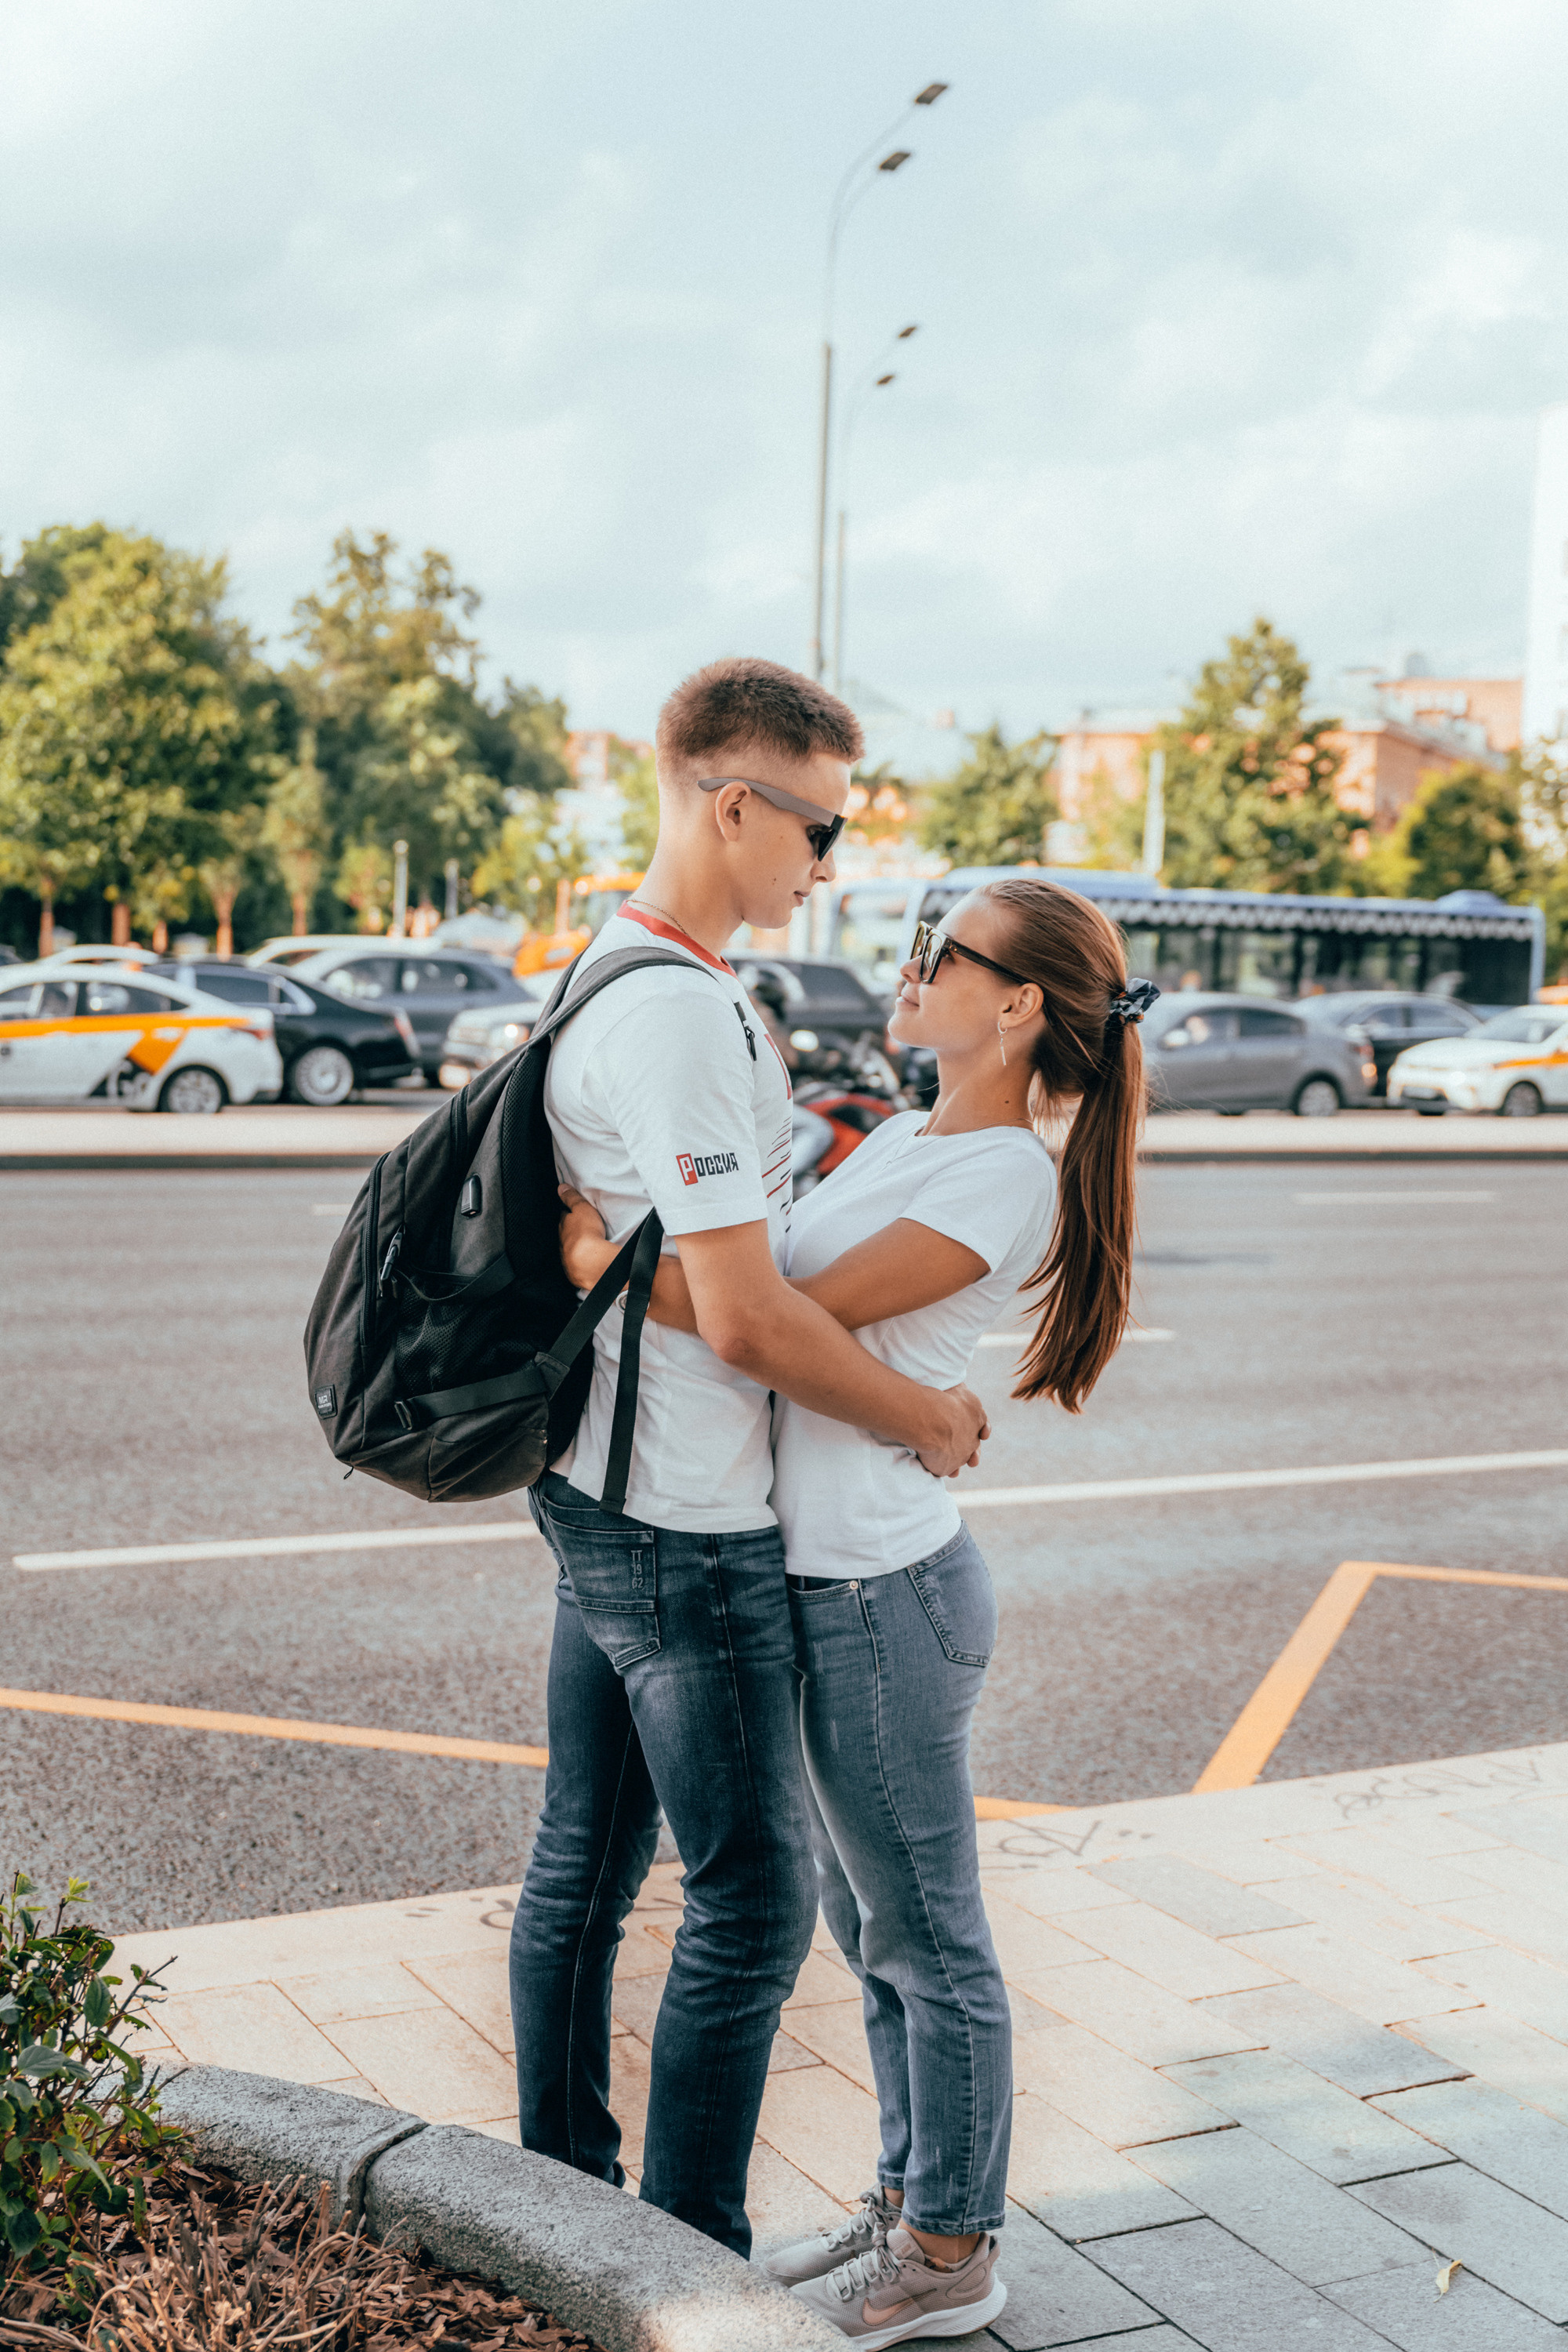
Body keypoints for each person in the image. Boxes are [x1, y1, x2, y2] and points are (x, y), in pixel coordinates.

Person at [562, 877, 1151, 2346]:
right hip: (828, 1583)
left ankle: (952, 2251)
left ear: (1017, 1006)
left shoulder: (1003, 1175)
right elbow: (750, 1282)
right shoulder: (906, 1133)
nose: (909, 966)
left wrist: (597, 1260)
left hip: (888, 1590)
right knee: (863, 1920)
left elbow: (767, 1310)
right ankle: (910, 2204)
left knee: (926, 1936)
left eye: (940, 955)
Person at [509, 656, 989, 2260]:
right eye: (821, 831)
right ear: (735, 805)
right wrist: (923, 1416)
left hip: (593, 1484)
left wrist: (598, 1265)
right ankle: (687, 2262)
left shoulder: (606, 969)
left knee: (582, 1866)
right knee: (752, 1904)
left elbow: (680, 1269)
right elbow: (746, 1319)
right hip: (690, 1519)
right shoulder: (682, 1019)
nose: (826, 867)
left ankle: (557, 2211)